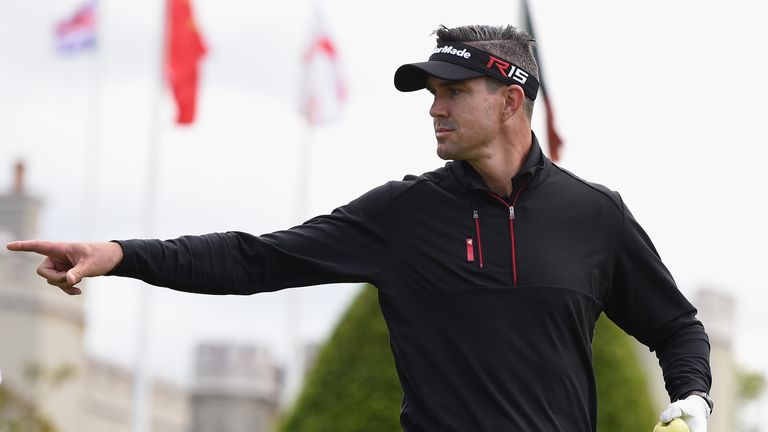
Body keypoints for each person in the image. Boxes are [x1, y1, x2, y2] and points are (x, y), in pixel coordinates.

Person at [6, 24, 712, 431]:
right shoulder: (403, 216)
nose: (433, 108)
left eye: (453, 92)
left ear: (509, 101)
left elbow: (675, 326)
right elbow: (256, 260)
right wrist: (119, 253)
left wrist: (693, 400)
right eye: (431, 93)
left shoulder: (595, 216)